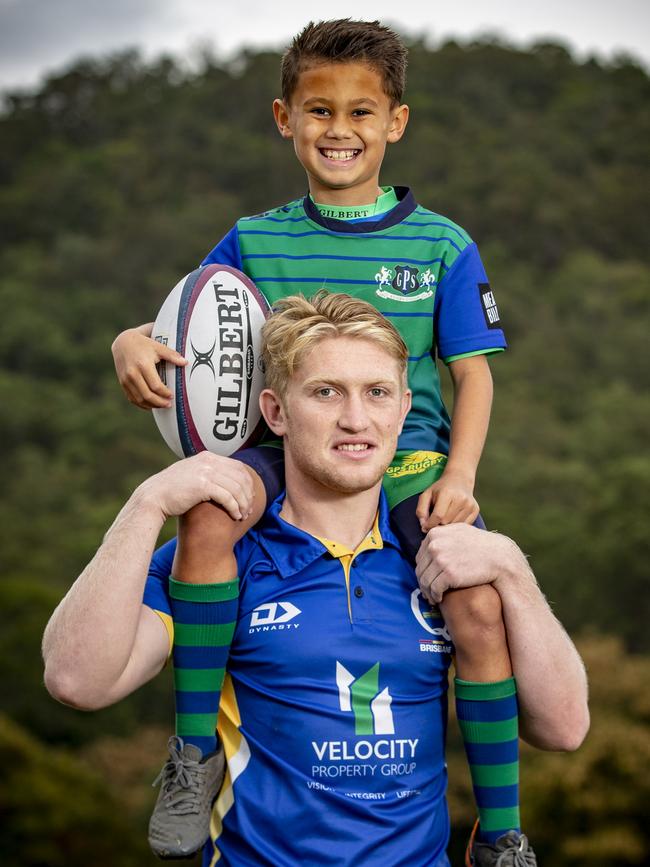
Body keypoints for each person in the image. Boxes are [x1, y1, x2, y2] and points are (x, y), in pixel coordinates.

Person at [111, 18, 530, 864]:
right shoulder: (256, 236)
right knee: (204, 519)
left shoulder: (443, 244)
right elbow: (192, 320)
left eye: (361, 113)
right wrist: (129, 341)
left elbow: (473, 375)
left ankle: (503, 828)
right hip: (285, 449)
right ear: (284, 118)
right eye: (319, 110)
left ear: (396, 124)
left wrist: (462, 475)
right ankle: (192, 757)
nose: (340, 130)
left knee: (479, 601)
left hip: (405, 460)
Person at [44, 293, 589, 866]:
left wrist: (512, 569)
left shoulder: (448, 561)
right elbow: (77, 680)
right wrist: (146, 503)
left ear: (404, 409)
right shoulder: (225, 556)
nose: (355, 419)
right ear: (275, 412)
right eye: (326, 392)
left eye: (376, 393)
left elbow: (564, 727)